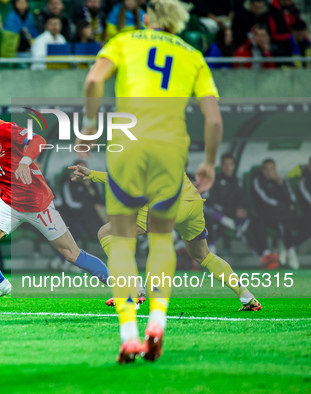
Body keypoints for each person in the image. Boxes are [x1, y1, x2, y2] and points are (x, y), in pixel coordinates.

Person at [79, 0, 222, 363]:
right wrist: (209, 162)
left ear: (147, 17)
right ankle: (156, 322)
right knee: (161, 239)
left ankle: (128, 334)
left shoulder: (126, 40)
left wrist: (90, 126)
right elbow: (214, 119)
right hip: (170, 152)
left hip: (127, 146)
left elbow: (94, 79)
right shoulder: (192, 55)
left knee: (120, 239)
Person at [0, 93, 109, 309]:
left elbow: (38, 141)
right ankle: (1, 285)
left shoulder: (3, 129)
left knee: (72, 254)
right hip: (9, 203)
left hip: (38, 204)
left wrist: (25, 160)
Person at [69, 164, 261, 311]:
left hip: (167, 206)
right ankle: (246, 295)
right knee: (203, 255)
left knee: (106, 232)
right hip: (192, 202)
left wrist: (92, 175)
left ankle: (133, 290)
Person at [204, 154, 280, 268]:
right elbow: (213, 203)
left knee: (258, 222)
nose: (228, 167)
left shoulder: (237, 180)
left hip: (241, 216)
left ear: (233, 166)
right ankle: (262, 258)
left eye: (230, 164)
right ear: (221, 165)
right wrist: (234, 212)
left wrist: (246, 212)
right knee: (242, 230)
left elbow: (245, 200)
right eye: (225, 164)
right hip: (224, 216)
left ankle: (265, 253)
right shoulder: (215, 181)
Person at [251, 158, 311, 269]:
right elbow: (267, 200)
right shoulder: (258, 181)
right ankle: (289, 250)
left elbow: (291, 200)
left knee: (307, 226)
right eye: (267, 169)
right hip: (268, 216)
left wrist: (281, 185)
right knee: (285, 223)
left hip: (284, 216)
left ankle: (288, 245)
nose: (269, 172)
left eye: (272, 169)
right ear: (262, 170)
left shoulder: (281, 181)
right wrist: (285, 208)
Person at [60, 160, 106, 243]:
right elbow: (71, 204)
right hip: (78, 214)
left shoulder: (91, 182)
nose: (82, 171)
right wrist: (92, 206)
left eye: (84, 168)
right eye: (80, 169)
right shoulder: (68, 183)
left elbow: (99, 198)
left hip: (97, 210)